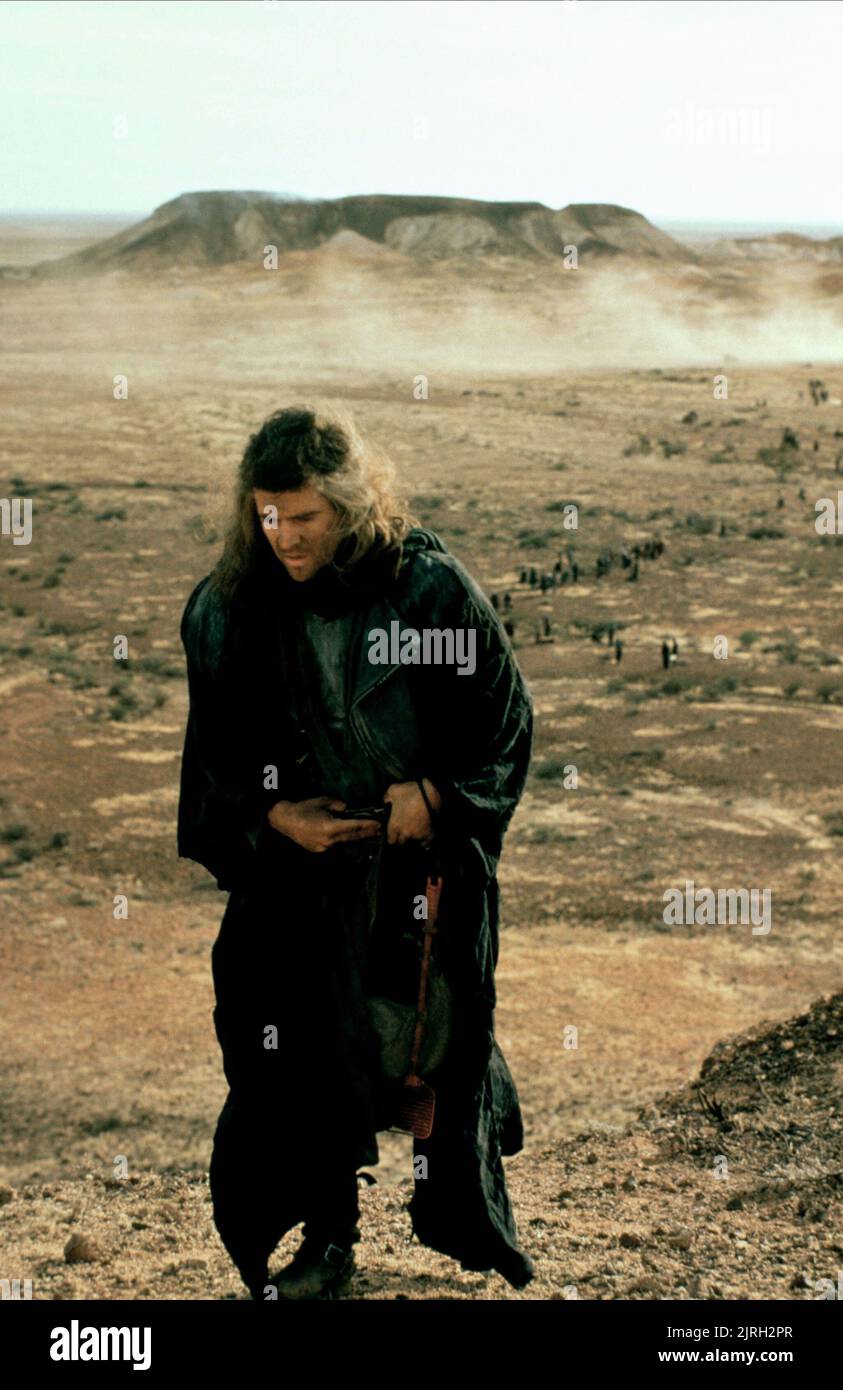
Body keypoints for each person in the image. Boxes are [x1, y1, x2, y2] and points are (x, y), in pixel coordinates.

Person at [177, 405, 535, 1300]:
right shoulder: (230, 607)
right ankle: (325, 1244)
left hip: (419, 875)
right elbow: (214, 762)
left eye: (304, 518)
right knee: (293, 1055)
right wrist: (272, 819)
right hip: (297, 881)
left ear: (348, 504)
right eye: (267, 515)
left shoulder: (428, 593)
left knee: (421, 1044)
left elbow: (504, 727)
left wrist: (435, 798)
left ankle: (454, 1217)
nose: (284, 537)